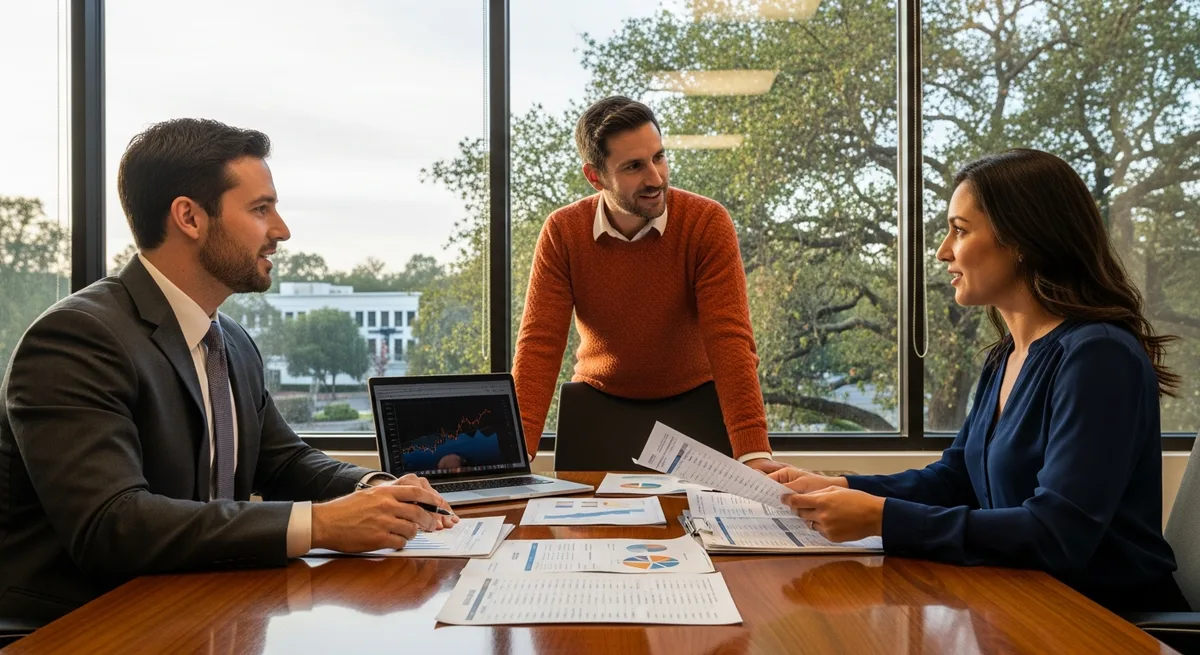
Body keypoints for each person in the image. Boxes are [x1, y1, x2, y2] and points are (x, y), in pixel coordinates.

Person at [0, 118, 456, 624]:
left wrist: (374, 487)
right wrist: (323, 524)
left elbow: (284, 463)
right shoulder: (75, 339)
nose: (281, 230)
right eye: (261, 209)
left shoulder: (231, 341)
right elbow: (113, 525)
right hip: (83, 628)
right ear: (189, 218)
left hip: (201, 611)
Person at [771, 148, 1188, 614]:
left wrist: (883, 518)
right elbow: (955, 480)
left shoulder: (1099, 356)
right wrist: (839, 485)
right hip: (1018, 606)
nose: (943, 251)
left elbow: (1057, 536)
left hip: (1101, 622)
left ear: (1023, 239)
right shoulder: (1006, 356)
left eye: (960, 230)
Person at [512, 96, 784, 473]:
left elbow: (730, 340)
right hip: (598, 410)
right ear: (595, 177)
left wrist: (754, 454)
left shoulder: (706, 222)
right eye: (634, 166)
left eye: (659, 157)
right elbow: (539, 345)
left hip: (699, 408)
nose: (655, 178)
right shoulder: (563, 231)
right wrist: (515, 454)